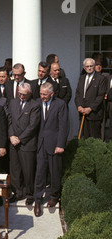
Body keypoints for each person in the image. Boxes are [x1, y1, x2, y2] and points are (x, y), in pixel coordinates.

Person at [32, 82, 68, 217]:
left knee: (55, 172)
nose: (42, 97)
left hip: (54, 144)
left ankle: (54, 196)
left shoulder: (60, 104)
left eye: (45, 94)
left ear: (52, 94)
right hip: (40, 144)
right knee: (40, 172)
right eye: (41, 94)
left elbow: (63, 126)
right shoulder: (36, 102)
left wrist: (60, 144)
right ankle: (38, 200)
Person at [8, 82, 41, 204]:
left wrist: (20, 139)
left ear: (30, 93)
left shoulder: (35, 105)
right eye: (20, 94)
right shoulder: (13, 102)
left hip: (27, 143)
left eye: (24, 95)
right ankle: (17, 192)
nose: (21, 97)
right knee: (15, 170)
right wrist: (11, 136)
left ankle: (29, 194)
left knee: (28, 170)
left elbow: (33, 126)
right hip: (13, 142)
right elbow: (9, 120)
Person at [75, 58, 108, 139]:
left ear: (94, 66)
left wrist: (90, 108)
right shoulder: (82, 78)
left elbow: (100, 96)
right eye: (87, 66)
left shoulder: (101, 78)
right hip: (83, 114)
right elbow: (78, 94)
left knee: (95, 139)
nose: (89, 68)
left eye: (91, 66)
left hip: (94, 114)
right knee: (84, 138)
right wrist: (79, 106)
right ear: (84, 67)